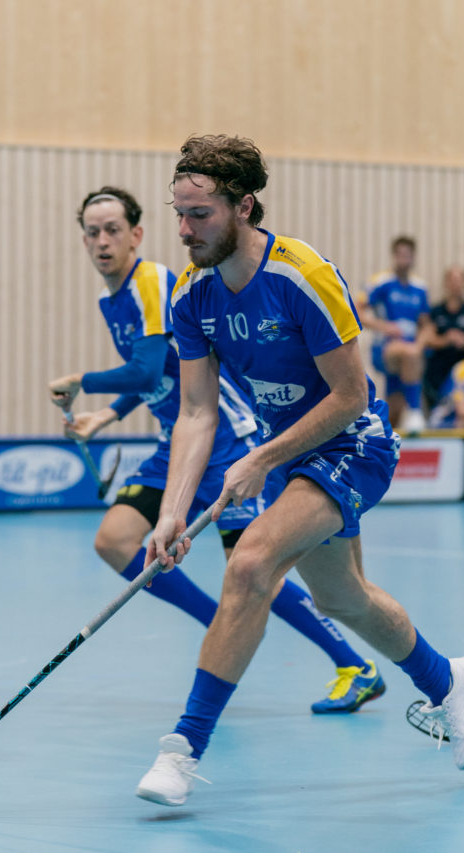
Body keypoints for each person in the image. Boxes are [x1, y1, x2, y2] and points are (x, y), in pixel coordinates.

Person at [136, 135, 464, 807]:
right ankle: (448, 681)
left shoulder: (301, 276)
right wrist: (173, 509)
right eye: (178, 212)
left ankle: (182, 749)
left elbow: (352, 394)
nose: (185, 229)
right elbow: (197, 414)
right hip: (293, 455)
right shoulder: (193, 295)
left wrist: (261, 457)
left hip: (354, 444)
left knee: (250, 562)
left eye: (200, 213)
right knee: (342, 599)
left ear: (245, 206)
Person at [47, 186, 384, 716]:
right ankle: (218, 622)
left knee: (250, 568)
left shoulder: (156, 284)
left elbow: (145, 365)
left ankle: (354, 665)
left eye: (113, 229)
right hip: (176, 445)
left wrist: (82, 380)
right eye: (92, 231)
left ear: (137, 234)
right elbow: (159, 376)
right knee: (115, 541)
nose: (102, 241)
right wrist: (108, 415)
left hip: (228, 440)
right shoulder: (113, 300)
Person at [359, 236, 428, 434]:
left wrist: (420, 344)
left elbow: (426, 325)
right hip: (385, 348)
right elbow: (357, 311)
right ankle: (415, 411)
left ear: (413, 257)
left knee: (395, 407)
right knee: (410, 353)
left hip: (410, 351)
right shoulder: (381, 282)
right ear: (394, 256)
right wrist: (385, 327)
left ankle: (389, 440)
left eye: (408, 256)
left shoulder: (420, 288)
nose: (404, 260)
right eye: (400, 255)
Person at [421, 264, 464, 411]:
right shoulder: (436, 311)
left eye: (459, 280)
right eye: (452, 279)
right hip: (437, 370)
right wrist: (447, 339)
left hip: (462, 370)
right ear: (446, 283)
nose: (456, 284)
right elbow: (428, 339)